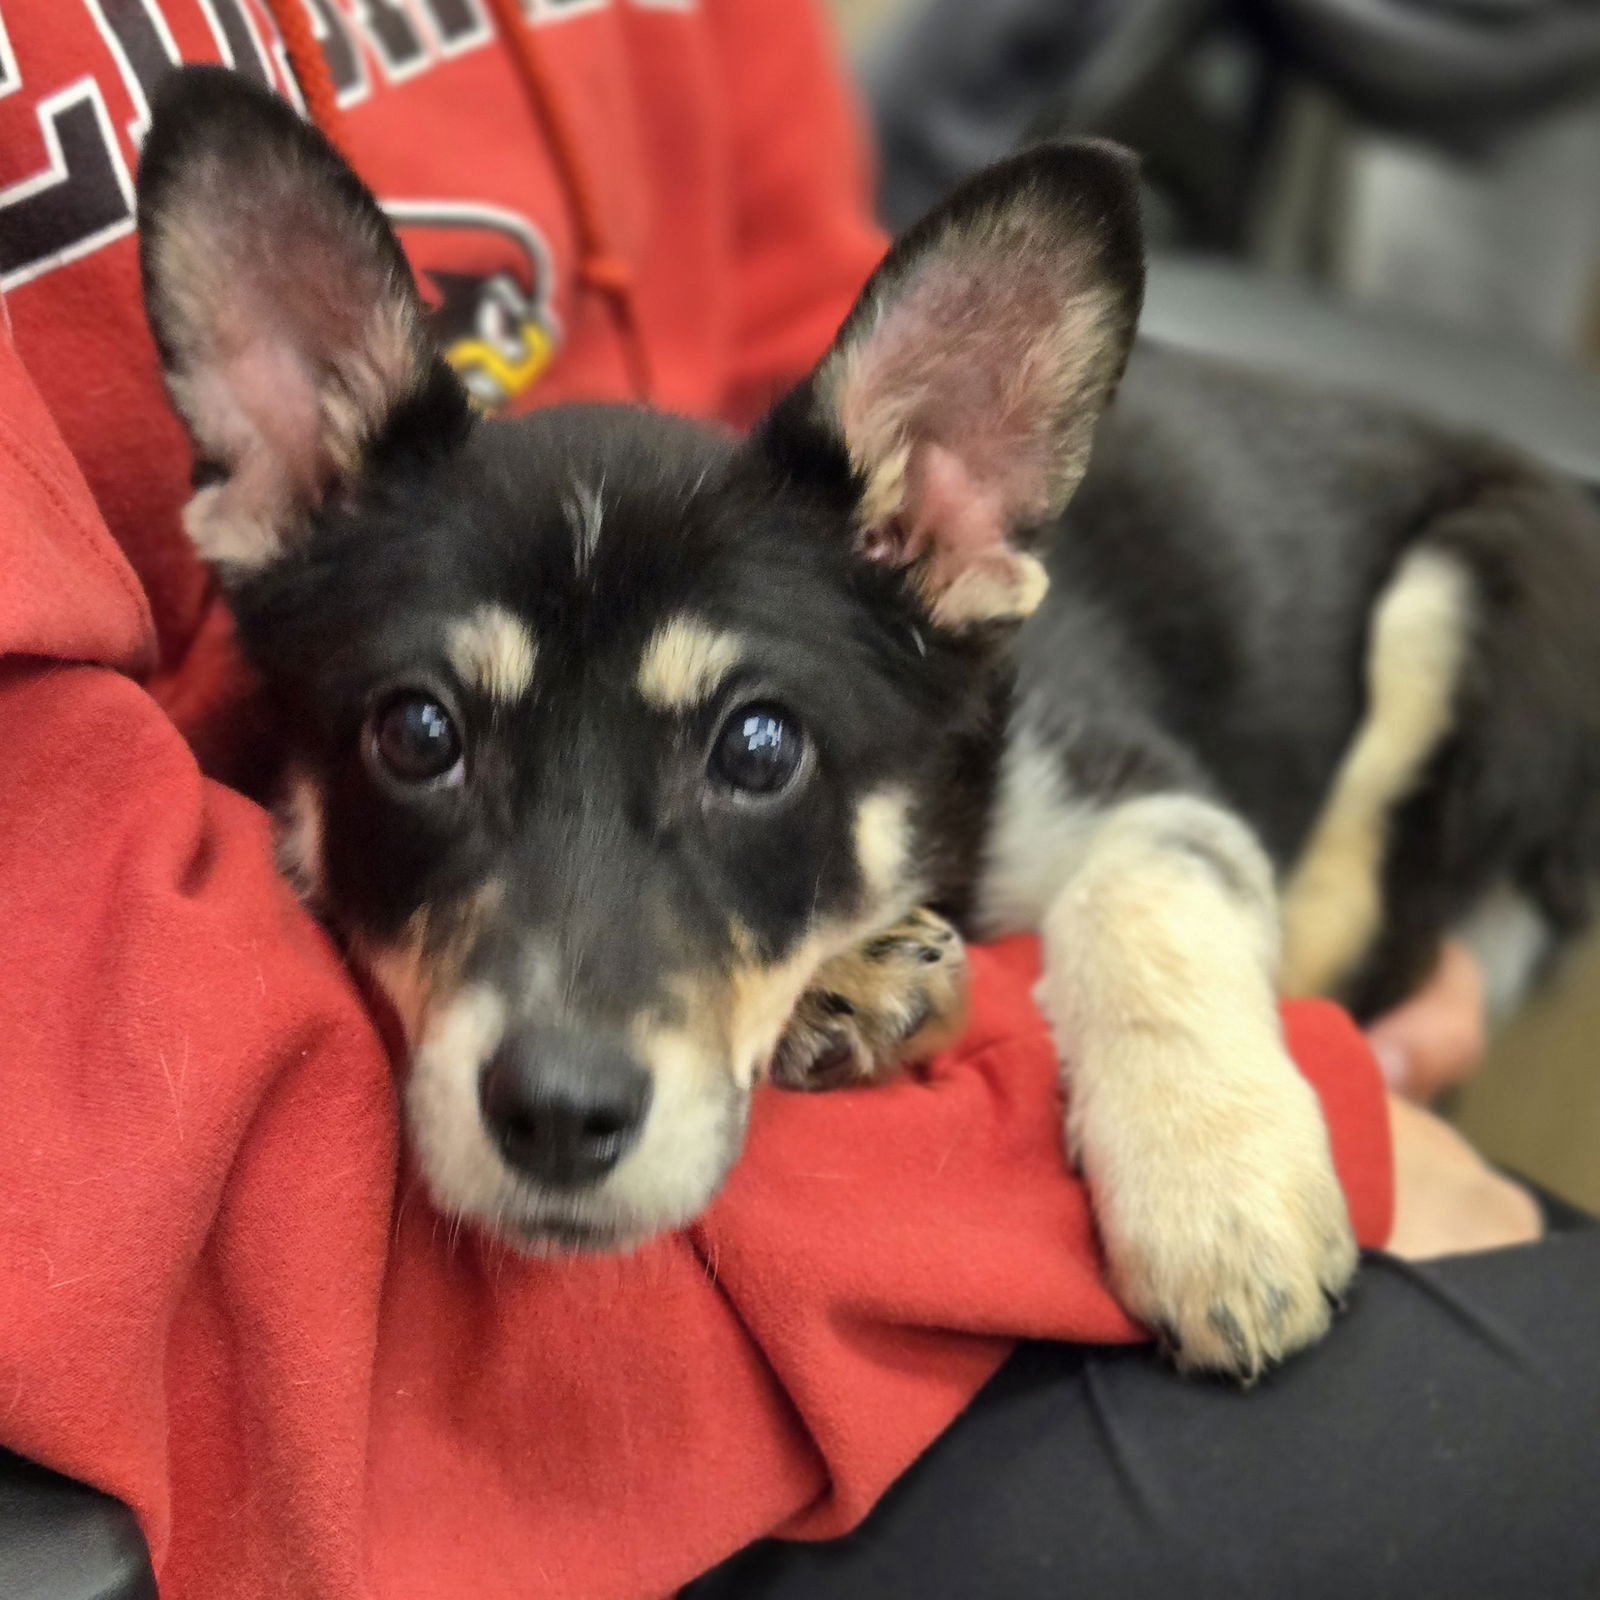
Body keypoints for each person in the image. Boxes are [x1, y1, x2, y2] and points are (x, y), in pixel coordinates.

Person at [0, 4, 1590, 1598]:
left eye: (747, 757)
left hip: (1425, 654)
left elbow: (1147, 831)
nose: (562, 1053)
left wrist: (1296, 1052)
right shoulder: (323, 559)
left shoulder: (904, 629)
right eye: (426, 737)